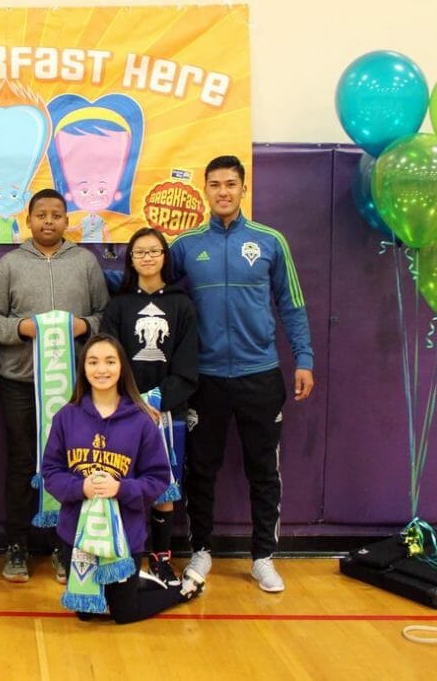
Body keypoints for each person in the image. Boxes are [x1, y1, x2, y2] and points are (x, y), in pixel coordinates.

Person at [170, 155, 314, 594]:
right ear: (205, 190)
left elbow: (291, 303)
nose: (223, 192)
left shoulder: (270, 241)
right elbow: (151, 283)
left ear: (243, 188)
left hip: (260, 375)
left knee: (263, 471)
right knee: (201, 469)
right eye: (214, 185)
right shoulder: (186, 246)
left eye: (230, 184)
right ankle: (201, 550)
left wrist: (304, 357)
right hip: (206, 378)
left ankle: (263, 557)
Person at [0, 188, 110, 583]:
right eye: (41, 215)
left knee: (72, 465)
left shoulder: (86, 263)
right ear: (28, 220)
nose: (48, 221)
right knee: (22, 463)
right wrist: (20, 329)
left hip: (74, 388)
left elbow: (106, 315)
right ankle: (16, 545)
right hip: (20, 383)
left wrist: (85, 326)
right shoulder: (10, 264)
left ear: (67, 221)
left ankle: (63, 544)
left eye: (56, 215)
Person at [41, 334, 202, 624]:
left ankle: (179, 591)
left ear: (122, 368)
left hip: (124, 535)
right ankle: (130, 583)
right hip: (77, 534)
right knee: (87, 613)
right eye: (93, 362)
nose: (101, 369)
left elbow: (158, 479)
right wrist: (81, 487)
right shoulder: (67, 416)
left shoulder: (140, 418)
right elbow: (50, 473)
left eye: (109, 361)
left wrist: (121, 488)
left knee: (124, 614)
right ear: (83, 369)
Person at [102, 227, 197, 584]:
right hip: (123, 409)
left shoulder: (181, 304)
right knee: (120, 482)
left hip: (166, 412)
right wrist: (131, 398)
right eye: (139, 252)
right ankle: (122, 554)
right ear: (130, 259)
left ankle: (160, 557)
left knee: (163, 487)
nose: (146, 257)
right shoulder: (119, 305)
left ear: (164, 256)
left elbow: (188, 365)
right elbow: (107, 357)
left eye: (153, 251)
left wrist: (157, 399)